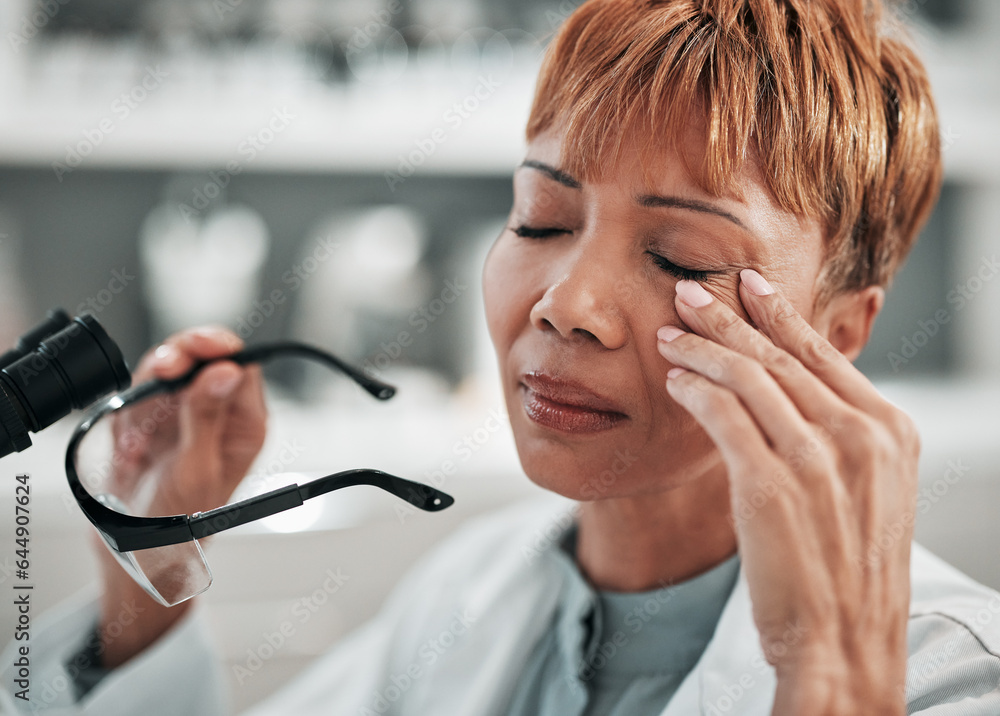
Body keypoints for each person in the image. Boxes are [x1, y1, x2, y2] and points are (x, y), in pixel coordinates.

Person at [3, 0, 1000, 713]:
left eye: (678, 256)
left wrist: (829, 677)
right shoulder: (469, 595)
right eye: (541, 218)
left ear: (834, 334)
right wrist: (150, 563)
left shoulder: (951, 676)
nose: (566, 304)